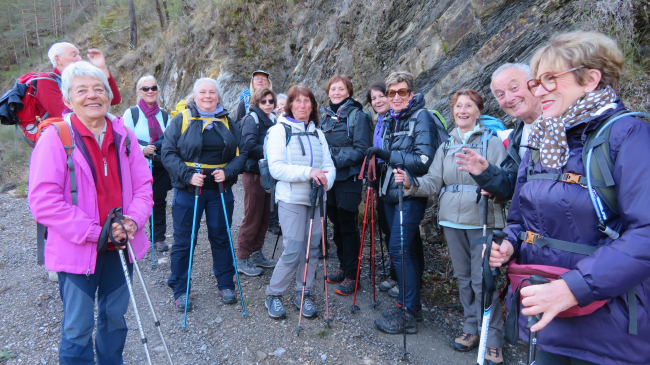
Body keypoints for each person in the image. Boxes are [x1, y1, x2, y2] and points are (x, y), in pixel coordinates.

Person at [488, 31, 650, 365]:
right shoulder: (542, 139)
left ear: (591, 79)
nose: (540, 89)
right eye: (536, 82)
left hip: (611, 327)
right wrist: (511, 243)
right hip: (550, 318)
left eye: (550, 79)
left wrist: (572, 288)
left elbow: (646, 232)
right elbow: (520, 218)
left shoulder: (628, 134)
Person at [28, 61, 153, 364]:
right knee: (78, 327)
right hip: (77, 251)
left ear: (109, 96)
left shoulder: (123, 135)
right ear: (68, 100)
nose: (92, 96)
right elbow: (43, 202)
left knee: (114, 320)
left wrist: (132, 221)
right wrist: (97, 232)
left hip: (120, 247)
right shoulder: (55, 138)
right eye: (81, 90)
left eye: (99, 89)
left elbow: (144, 186)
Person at [399, 89, 507, 363]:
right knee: (464, 279)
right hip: (451, 220)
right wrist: (412, 184)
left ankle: (492, 338)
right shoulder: (445, 146)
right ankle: (471, 328)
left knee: (484, 280)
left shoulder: (491, 142)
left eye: (468, 106)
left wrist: (492, 190)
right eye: (458, 106)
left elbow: (504, 181)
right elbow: (434, 181)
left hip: (483, 219)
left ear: (478, 111)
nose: (462, 110)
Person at [162, 78, 247, 310]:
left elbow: (242, 153)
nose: (207, 96)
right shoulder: (181, 119)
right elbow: (167, 152)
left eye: (212, 92)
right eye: (203, 92)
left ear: (218, 96)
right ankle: (180, 289)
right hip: (189, 191)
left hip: (219, 190)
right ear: (195, 95)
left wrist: (228, 172)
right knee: (184, 241)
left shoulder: (227, 121)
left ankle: (225, 283)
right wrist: (188, 175)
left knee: (221, 237)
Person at [365, 71, 438, 334]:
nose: (396, 97)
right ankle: (412, 306)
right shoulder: (395, 119)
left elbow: (423, 160)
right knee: (404, 246)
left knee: (399, 247)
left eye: (401, 92)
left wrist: (387, 154)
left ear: (411, 93)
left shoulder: (422, 117)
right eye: (392, 92)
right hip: (392, 192)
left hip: (410, 193)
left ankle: (407, 311)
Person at [264, 85, 336, 319]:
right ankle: (273, 294)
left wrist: (326, 180)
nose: (303, 105)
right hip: (291, 199)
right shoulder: (279, 131)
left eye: (307, 101)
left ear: (313, 106)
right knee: (294, 249)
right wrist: (310, 173)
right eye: (298, 101)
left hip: (316, 199)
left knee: (312, 249)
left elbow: (329, 165)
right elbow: (276, 168)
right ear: (290, 106)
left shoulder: (318, 133)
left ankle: (302, 293)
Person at [455, 63, 542, 201]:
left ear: (534, 84)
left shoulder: (568, 120)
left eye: (514, 88)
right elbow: (514, 186)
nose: (509, 98)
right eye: (500, 95)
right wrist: (486, 173)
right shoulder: (515, 139)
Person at [318, 75, 371, 295]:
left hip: (348, 178)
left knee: (348, 225)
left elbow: (361, 150)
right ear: (328, 92)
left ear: (348, 92)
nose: (337, 92)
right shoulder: (324, 117)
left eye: (341, 89)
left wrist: (332, 161)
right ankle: (342, 266)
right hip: (329, 180)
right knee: (336, 224)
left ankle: (353, 275)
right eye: (333, 89)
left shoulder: (357, 116)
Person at [123, 75, 172, 252]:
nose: (150, 91)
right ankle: (132, 233)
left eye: (153, 88)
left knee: (158, 201)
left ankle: (158, 238)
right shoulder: (132, 113)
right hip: (138, 166)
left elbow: (171, 139)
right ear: (139, 92)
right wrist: (142, 149)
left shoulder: (165, 115)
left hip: (159, 164)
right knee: (135, 200)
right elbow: (125, 139)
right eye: (145, 88)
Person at [235, 88, 279, 276]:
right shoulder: (251, 119)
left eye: (271, 101)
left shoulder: (274, 120)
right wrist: (275, 153)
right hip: (254, 174)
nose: (268, 104)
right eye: (264, 101)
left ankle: (256, 253)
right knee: (252, 216)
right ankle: (242, 257)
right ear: (256, 102)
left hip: (268, 175)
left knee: (264, 216)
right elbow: (248, 146)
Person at [367, 81, 399, 298]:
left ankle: (404, 278)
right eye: (373, 99)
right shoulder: (379, 121)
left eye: (381, 96)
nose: (377, 101)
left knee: (403, 233)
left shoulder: (396, 120)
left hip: (396, 179)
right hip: (382, 180)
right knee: (388, 229)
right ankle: (395, 274)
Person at [39, 42, 121, 119]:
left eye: (79, 55)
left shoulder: (82, 77)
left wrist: (102, 68)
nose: (80, 58)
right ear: (58, 60)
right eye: (74, 55)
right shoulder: (45, 81)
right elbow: (63, 114)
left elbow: (114, 99)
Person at [268, 92, 288, 235]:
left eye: (283, 104)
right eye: (278, 105)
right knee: (273, 193)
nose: (280, 107)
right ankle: (273, 222)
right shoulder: (271, 120)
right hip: (274, 161)